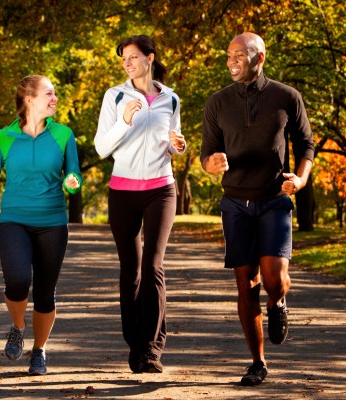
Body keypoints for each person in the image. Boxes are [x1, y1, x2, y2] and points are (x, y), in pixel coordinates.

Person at [201, 32, 314, 386]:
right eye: (228, 54)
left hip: (274, 201)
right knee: (245, 286)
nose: (231, 60)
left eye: (239, 54)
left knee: (272, 280)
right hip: (235, 202)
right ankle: (258, 362)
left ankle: (278, 303)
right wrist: (211, 165)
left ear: (259, 57)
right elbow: (207, 153)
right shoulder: (217, 103)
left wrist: (301, 179)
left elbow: (306, 144)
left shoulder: (286, 97)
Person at [0, 74, 82, 375]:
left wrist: (72, 184)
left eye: (55, 93)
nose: (55, 99)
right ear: (29, 99)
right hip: (14, 219)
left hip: (52, 221)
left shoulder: (63, 134)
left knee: (45, 292)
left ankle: (39, 351)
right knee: (18, 281)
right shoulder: (3, 137)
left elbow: (73, 174)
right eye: (49, 93)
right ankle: (18, 327)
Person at [94, 34, 186, 373]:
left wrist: (179, 145)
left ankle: (152, 349)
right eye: (124, 59)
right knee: (130, 269)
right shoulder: (115, 96)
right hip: (123, 191)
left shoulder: (171, 99)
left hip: (161, 189)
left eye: (133, 57)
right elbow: (102, 147)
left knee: (153, 266)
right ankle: (135, 344)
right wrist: (124, 121)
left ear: (150, 58)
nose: (127, 63)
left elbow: (172, 143)